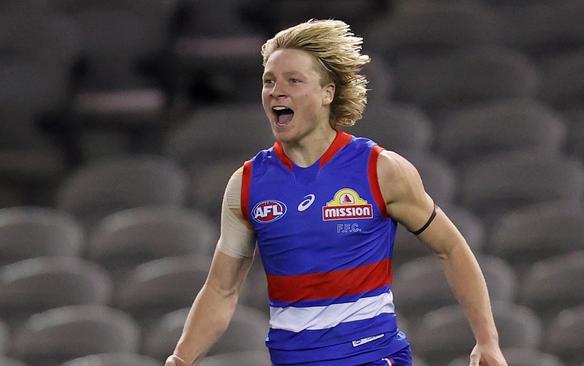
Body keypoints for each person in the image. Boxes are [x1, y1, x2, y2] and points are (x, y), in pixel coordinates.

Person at [165, 19, 508, 366]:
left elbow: (451, 247)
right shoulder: (247, 184)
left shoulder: (380, 169)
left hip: (373, 357)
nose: (276, 91)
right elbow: (221, 290)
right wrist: (181, 358)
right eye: (269, 81)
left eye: (293, 80)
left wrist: (487, 340)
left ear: (328, 93)